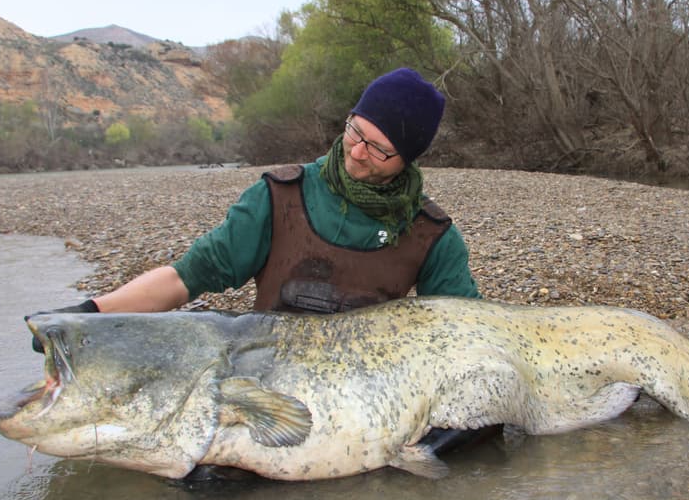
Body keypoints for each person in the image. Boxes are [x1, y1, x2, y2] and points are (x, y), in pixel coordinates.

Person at [32, 67, 486, 455]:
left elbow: (470, 335)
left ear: (406, 159)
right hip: (263, 392)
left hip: (363, 400)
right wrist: (91, 316)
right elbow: (186, 277)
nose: (357, 151)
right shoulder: (277, 196)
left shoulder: (431, 233)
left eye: (379, 148)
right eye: (354, 131)